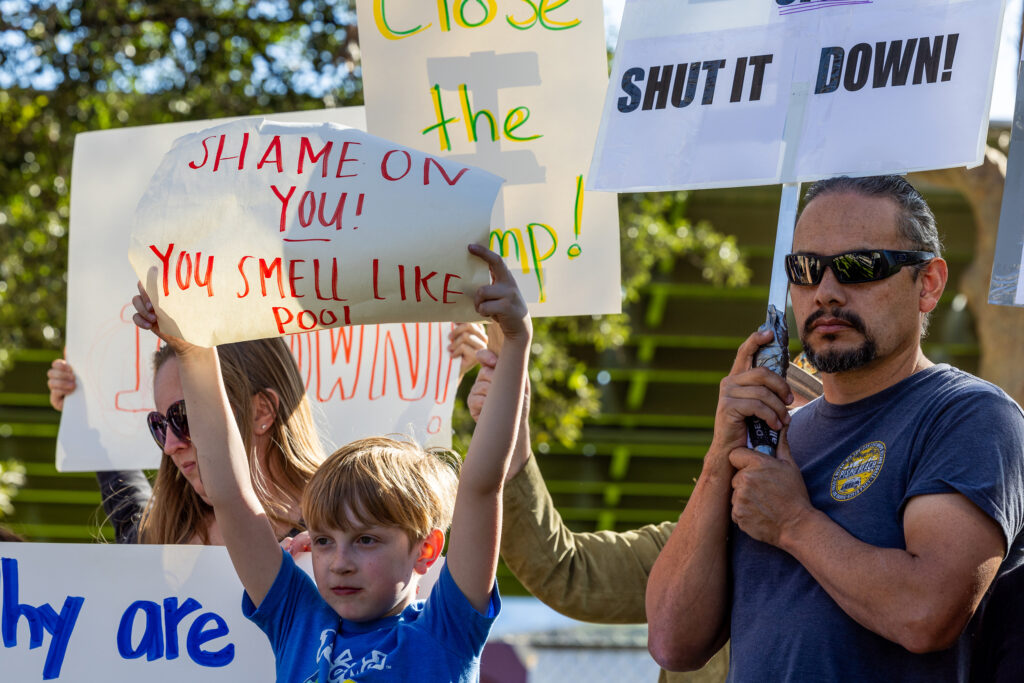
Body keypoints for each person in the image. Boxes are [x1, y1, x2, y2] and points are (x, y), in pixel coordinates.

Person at [646, 175, 1024, 681]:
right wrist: (721, 455)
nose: (825, 292)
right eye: (805, 269)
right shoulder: (772, 436)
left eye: (858, 267)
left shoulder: (969, 415)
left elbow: (925, 613)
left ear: (928, 284)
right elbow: (673, 641)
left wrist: (794, 525)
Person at [130, 242, 530, 681]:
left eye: (366, 540)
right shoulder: (297, 620)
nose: (339, 561)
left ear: (427, 549)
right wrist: (193, 351)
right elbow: (231, 494)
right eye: (322, 541)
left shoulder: (446, 630)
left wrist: (515, 341)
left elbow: (480, 486)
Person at [468, 351, 819, 683]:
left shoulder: (858, 550)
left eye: (792, 421)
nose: (768, 437)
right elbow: (565, 571)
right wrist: (510, 431)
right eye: (758, 420)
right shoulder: (692, 548)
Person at [47, 324, 486, 545]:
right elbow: (128, 512)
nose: (172, 443)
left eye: (185, 416)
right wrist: (86, 409)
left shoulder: (347, 525)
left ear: (262, 411)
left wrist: (442, 381)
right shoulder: (165, 534)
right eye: (160, 425)